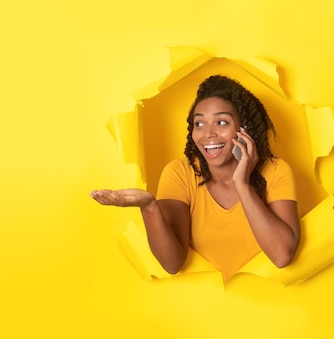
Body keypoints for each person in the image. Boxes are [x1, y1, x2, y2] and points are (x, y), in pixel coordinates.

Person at [90, 75, 300, 280]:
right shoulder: (180, 173)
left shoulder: (276, 171)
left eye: (221, 122)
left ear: (244, 129)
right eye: (199, 124)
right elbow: (172, 264)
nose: (208, 133)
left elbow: (282, 256)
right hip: (198, 307)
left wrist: (242, 184)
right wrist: (149, 206)